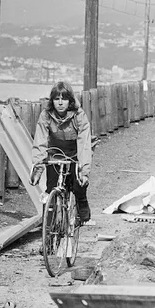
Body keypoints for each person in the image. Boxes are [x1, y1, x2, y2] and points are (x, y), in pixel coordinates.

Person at [29, 80, 92, 223]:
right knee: (51, 187)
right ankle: (49, 229)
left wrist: (84, 170)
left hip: (75, 153)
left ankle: (82, 201)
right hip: (55, 153)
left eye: (64, 98)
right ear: (52, 101)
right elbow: (40, 141)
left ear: (70, 100)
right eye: (57, 99)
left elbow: (84, 144)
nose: (60, 102)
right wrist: (38, 167)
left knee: (78, 184)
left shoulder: (79, 115)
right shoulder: (45, 115)